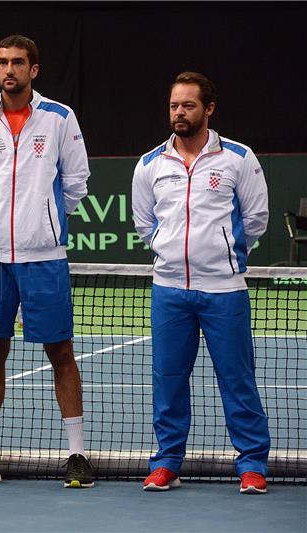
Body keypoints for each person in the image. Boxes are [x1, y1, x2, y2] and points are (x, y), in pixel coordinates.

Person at [0, 35, 94, 488]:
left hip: (44, 257)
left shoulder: (59, 118)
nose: (8, 69)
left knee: (61, 353)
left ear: (34, 69)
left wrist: (44, 221)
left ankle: (76, 454)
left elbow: (75, 181)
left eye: (17, 62)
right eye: (1, 62)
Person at [132, 72, 270, 494]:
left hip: (225, 291)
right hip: (169, 291)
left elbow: (256, 218)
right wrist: (167, 248)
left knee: (237, 380)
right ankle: (167, 463)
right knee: (168, 380)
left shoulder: (239, 159)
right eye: (174, 105)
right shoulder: (150, 163)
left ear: (208, 109)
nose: (179, 113)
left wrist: (223, 253)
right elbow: (144, 223)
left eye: (188, 105)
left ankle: (251, 465)